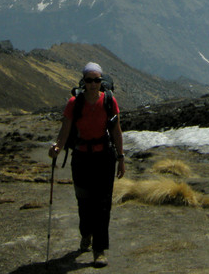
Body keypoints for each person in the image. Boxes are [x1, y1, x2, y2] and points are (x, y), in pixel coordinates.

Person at [48, 62, 126, 268]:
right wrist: (58, 147)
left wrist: (121, 157)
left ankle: (99, 250)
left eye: (97, 80)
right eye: (89, 80)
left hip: (104, 158)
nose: (93, 84)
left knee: (102, 204)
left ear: (101, 82)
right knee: (84, 202)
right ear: (83, 82)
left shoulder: (109, 101)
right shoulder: (75, 103)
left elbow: (116, 131)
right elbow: (65, 129)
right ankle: (86, 233)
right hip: (82, 158)